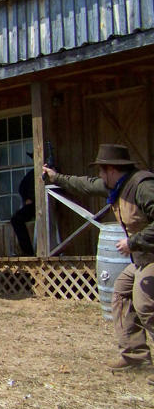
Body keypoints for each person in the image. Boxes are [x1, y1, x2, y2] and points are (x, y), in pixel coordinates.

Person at [43, 144, 154, 384]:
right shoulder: (117, 187)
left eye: (102, 171)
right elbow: (85, 184)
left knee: (145, 303)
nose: (100, 177)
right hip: (143, 257)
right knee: (122, 292)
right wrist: (56, 177)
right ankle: (135, 355)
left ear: (112, 169)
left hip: (149, 254)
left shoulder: (143, 187)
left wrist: (133, 241)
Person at [10, 158, 36, 256]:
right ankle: (28, 251)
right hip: (33, 206)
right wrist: (27, 199)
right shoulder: (31, 174)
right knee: (16, 220)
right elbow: (22, 187)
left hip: (49, 206)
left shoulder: (52, 171)